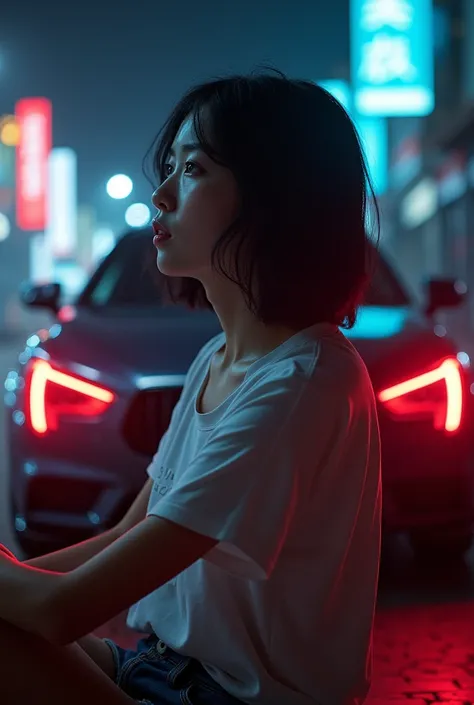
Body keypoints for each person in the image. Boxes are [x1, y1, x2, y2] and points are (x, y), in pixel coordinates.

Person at [0, 69, 381, 705]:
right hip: (166, 673)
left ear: (275, 197)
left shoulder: (300, 386)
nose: (162, 196)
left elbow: (63, 612)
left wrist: (18, 593)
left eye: (195, 169)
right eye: (169, 167)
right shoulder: (217, 359)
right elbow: (126, 537)